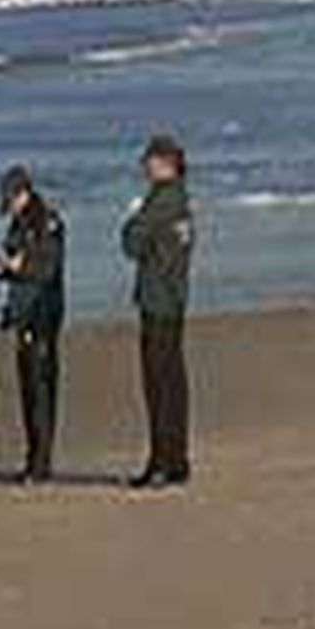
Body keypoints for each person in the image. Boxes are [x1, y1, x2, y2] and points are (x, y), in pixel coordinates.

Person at [121, 135, 195, 489]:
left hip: (157, 299)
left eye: (149, 161)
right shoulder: (181, 199)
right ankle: (176, 458)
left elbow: (132, 243)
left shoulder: (162, 200)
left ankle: (162, 462)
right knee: (174, 382)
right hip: (174, 297)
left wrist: (134, 218)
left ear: (164, 163)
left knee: (159, 383)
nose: (145, 167)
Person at [0, 167, 66, 483]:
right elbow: (21, 267)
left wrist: (22, 265)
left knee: (40, 389)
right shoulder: (19, 220)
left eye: (11, 197)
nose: (9, 204)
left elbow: (48, 267)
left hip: (42, 313)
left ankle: (41, 463)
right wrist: (4, 270)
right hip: (23, 313)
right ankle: (33, 458)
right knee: (28, 388)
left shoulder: (47, 221)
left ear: (23, 193)